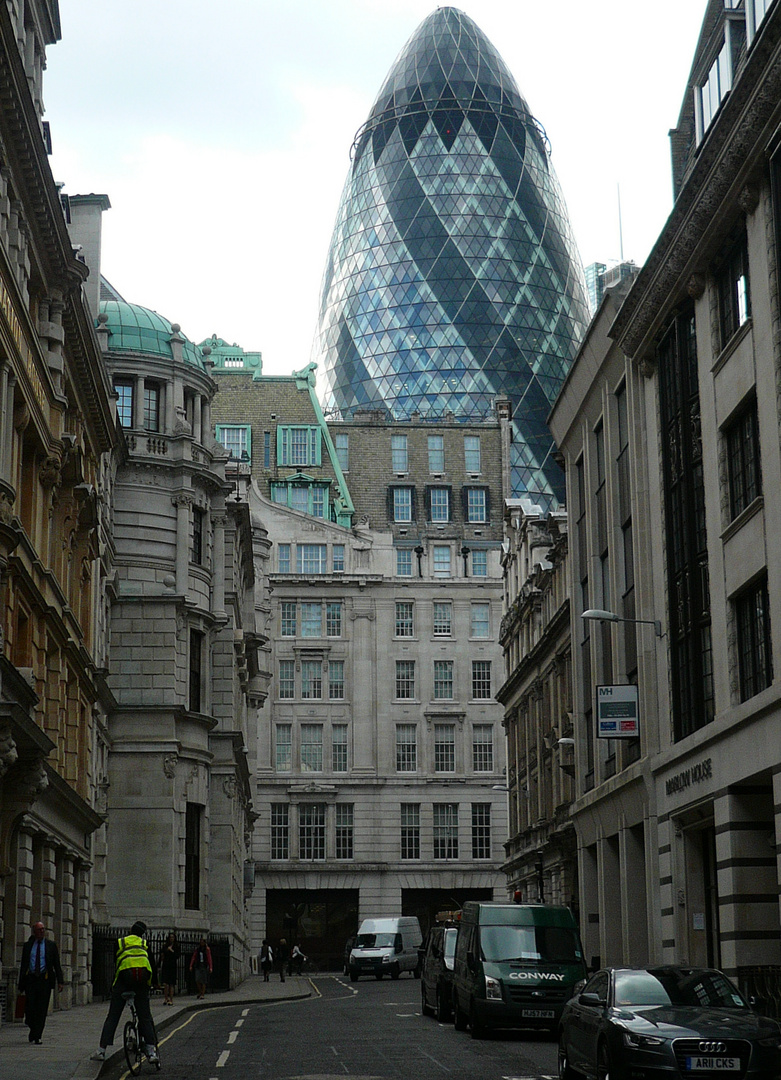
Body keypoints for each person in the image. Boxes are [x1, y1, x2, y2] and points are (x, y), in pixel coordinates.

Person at [90, 921, 158, 1063]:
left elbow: (117, 962)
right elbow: (151, 964)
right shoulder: (144, 944)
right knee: (145, 1017)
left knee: (113, 1017)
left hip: (123, 982)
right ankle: (151, 1052)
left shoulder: (120, 942)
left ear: (130, 931)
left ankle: (101, 1050)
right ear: (142, 933)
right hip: (141, 984)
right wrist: (154, 984)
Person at [18, 920, 64, 1044]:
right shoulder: (28, 946)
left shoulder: (51, 945)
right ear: (34, 931)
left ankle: (37, 1035)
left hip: (44, 980)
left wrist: (60, 981)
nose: (42, 931)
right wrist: (20, 982)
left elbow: (56, 965)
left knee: (41, 1009)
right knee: (30, 1007)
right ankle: (32, 1027)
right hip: (31, 980)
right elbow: (23, 965)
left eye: (43, 929)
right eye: (39, 929)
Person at [159, 931, 179, 1005]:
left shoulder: (176, 946)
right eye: (170, 937)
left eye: (173, 937)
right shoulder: (165, 946)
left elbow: (177, 956)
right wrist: (167, 950)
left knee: (171, 984)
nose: (171, 939)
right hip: (166, 965)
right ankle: (165, 998)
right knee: (165, 983)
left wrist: (172, 951)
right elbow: (162, 953)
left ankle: (171, 999)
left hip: (172, 966)